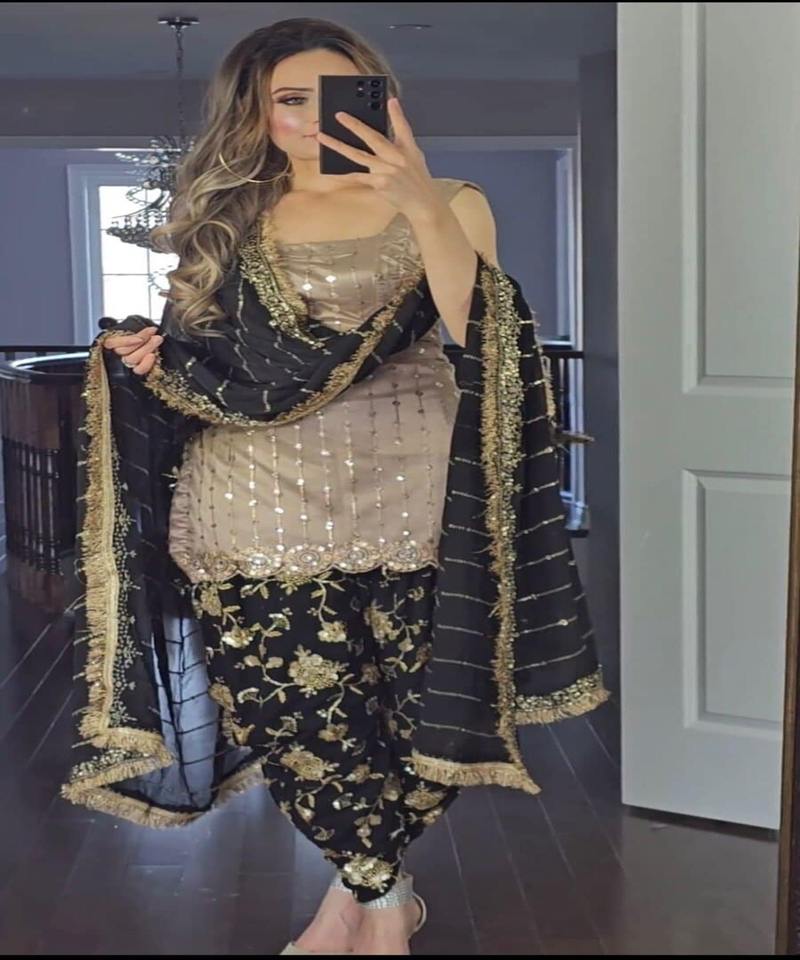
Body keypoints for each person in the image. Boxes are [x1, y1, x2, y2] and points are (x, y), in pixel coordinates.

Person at [63, 16, 611, 957]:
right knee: (295, 712)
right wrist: (141, 357)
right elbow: (208, 364)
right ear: (257, 114)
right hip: (252, 499)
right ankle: (384, 902)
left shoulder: (452, 201)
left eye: (337, 95)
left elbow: (482, 332)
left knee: (421, 719)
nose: (315, 120)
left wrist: (419, 201)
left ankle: (350, 901)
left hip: (416, 496)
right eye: (289, 101)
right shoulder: (225, 222)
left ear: (381, 98)